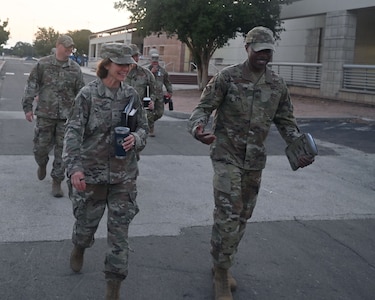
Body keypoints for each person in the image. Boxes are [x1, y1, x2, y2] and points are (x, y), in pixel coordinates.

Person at [187, 26, 315, 300]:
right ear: (248, 49)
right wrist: (198, 128)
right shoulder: (227, 78)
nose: (263, 56)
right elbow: (203, 108)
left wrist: (299, 147)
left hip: (255, 161)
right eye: (259, 51)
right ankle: (221, 273)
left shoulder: (277, 84)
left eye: (268, 51)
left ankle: (223, 261)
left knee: (243, 215)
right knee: (228, 214)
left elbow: (286, 123)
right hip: (226, 156)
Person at [62, 43, 148, 300]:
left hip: (124, 178)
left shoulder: (131, 95)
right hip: (93, 175)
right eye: (120, 63)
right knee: (86, 226)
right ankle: (80, 245)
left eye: (128, 64)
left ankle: (113, 288)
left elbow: (143, 126)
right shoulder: (88, 95)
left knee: (119, 236)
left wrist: (137, 138)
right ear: (107, 64)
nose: (125, 68)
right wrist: (75, 168)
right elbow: (73, 132)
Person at [22, 34, 85, 197]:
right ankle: (42, 163)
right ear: (58, 46)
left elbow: (81, 93)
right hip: (45, 115)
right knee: (40, 148)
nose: (69, 50)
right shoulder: (42, 64)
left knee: (63, 151)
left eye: (71, 47)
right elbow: (31, 86)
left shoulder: (75, 69)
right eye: (66, 47)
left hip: (66, 117)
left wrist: (82, 114)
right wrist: (27, 107)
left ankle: (57, 181)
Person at [147, 52, 173, 136]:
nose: (155, 63)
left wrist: (170, 91)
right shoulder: (146, 70)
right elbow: (143, 81)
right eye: (153, 61)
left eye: (156, 61)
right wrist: (151, 72)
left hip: (159, 95)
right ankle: (151, 129)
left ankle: (147, 122)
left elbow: (167, 82)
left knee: (160, 113)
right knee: (150, 112)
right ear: (150, 61)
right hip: (149, 95)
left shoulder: (162, 71)